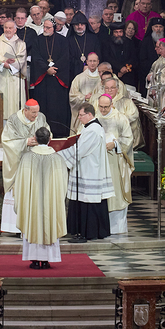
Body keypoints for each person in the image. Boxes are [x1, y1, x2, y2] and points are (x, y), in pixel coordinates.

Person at [58, 104, 115, 242]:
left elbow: (80, 150)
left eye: (81, 115)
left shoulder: (93, 130)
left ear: (89, 115)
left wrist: (58, 155)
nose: (79, 118)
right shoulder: (91, 128)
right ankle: (90, 231)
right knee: (88, 202)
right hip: (89, 169)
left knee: (88, 201)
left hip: (89, 171)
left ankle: (87, 233)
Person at [14, 127, 68, 269]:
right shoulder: (57, 159)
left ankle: (34, 260)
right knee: (49, 222)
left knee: (33, 223)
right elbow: (63, 183)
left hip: (33, 202)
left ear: (35, 139)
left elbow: (20, 183)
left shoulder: (27, 158)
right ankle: (46, 260)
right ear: (50, 139)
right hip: (50, 201)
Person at [0, 101, 51, 236]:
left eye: (37, 112)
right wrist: (25, 142)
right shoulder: (13, 120)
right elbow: (7, 141)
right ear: (25, 110)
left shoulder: (41, 117)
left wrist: (44, 140)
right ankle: (16, 227)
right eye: (33, 112)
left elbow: (48, 132)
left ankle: (35, 226)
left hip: (37, 163)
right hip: (19, 164)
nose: (36, 115)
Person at [95, 95, 133, 236]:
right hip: (98, 163)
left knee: (116, 194)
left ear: (112, 105)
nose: (103, 110)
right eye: (101, 107)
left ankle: (117, 228)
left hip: (116, 162)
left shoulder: (120, 118)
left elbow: (128, 138)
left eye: (106, 107)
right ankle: (100, 227)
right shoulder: (94, 118)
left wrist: (115, 144)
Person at [29, 19, 72, 137]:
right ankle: (42, 131)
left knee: (57, 107)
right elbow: (36, 57)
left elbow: (65, 57)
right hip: (43, 79)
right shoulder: (38, 40)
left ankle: (59, 132)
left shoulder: (62, 40)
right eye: (44, 27)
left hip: (57, 79)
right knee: (43, 105)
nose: (45, 29)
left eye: (48, 27)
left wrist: (54, 69)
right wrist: (46, 69)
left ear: (54, 28)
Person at [0, 21, 27, 135]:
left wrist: (9, 65)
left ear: (15, 30)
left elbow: (21, 59)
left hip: (14, 78)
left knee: (14, 103)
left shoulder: (20, 44)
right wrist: (4, 63)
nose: (8, 30)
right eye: (6, 28)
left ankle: (15, 129)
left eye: (10, 28)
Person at [68, 53, 102, 133]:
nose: (92, 63)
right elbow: (72, 96)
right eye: (90, 61)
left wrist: (94, 98)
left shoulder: (102, 78)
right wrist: (84, 98)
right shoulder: (79, 78)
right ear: (87, 62)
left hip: (98, 112)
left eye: (94, 61)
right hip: (83, 111)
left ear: (98, 62)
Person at [101, 22, 137, 87]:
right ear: (112, 33)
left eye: (120, 32)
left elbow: (133, 58)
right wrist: (120, 68)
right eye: (116, 32)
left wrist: (125, 69)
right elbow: (107, 58)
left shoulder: (129, 43)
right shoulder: (106, 43)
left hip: (127, 74)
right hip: (113, 73)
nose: (119, 34)